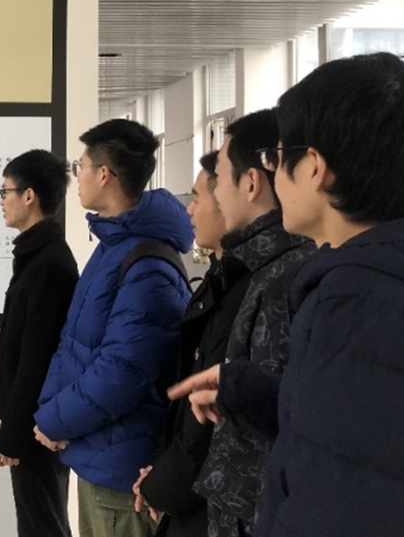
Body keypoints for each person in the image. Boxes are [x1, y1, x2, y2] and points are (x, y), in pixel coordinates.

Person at [171, 53, 404, 537]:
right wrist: (251, 391)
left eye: (278, 159)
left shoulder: (354, 299)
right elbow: (353, 431)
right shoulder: (372, 280)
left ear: (315, 168)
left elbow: (340, 495)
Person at [34, 118, 193, 537]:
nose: (78, 177)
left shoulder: (146, 265)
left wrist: (55, 421)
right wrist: (53, 416)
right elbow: (76, 345)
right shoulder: (115, 245)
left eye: (81, 166)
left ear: (104, 174)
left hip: (122, 471)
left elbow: (121, 373)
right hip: (98, 450)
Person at [188, 110, 314, 537]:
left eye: (220, 178)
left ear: (252, 182)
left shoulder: (286, 274)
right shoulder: (262, 265)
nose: (215, 194)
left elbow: (275, 428)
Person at [133, 152, 249, 537]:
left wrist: (158, 484)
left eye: (198, 196)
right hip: (177, 481)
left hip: (206, 503)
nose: (190, 209)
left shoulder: (248, 287)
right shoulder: (219, 277)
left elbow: (208, 427)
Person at [0, 150, 79, 537]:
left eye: (5, 191)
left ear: (29, 196)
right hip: (34, 421)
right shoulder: (37, 256)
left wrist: (15, 431)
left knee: (43, 525)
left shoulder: (50, 264)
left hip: (38, 425)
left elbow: (37, 358)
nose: (1, 200)